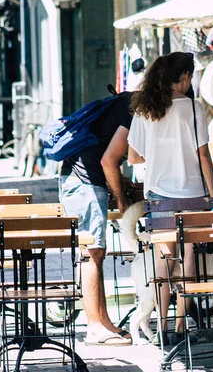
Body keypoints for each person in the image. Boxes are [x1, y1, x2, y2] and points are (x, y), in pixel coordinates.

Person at [127, 52, 213, 345]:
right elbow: (203, 155)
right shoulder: (194, 109)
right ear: (186, 78)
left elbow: (133, 156)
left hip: (159, 196)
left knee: (164, 260)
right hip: (192, 193)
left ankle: (162, 326)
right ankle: (181, 327)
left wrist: (157, 152)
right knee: (189, 257)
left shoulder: (145, 110)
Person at [59, 91, 134, 346]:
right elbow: (108, 161)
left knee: (97, 253)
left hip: (83, 179)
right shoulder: (133, 110)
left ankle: (104, 322)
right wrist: (122, 199)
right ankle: (94, 327)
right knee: (91, 252)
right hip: (83, 182)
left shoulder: (128, 102)